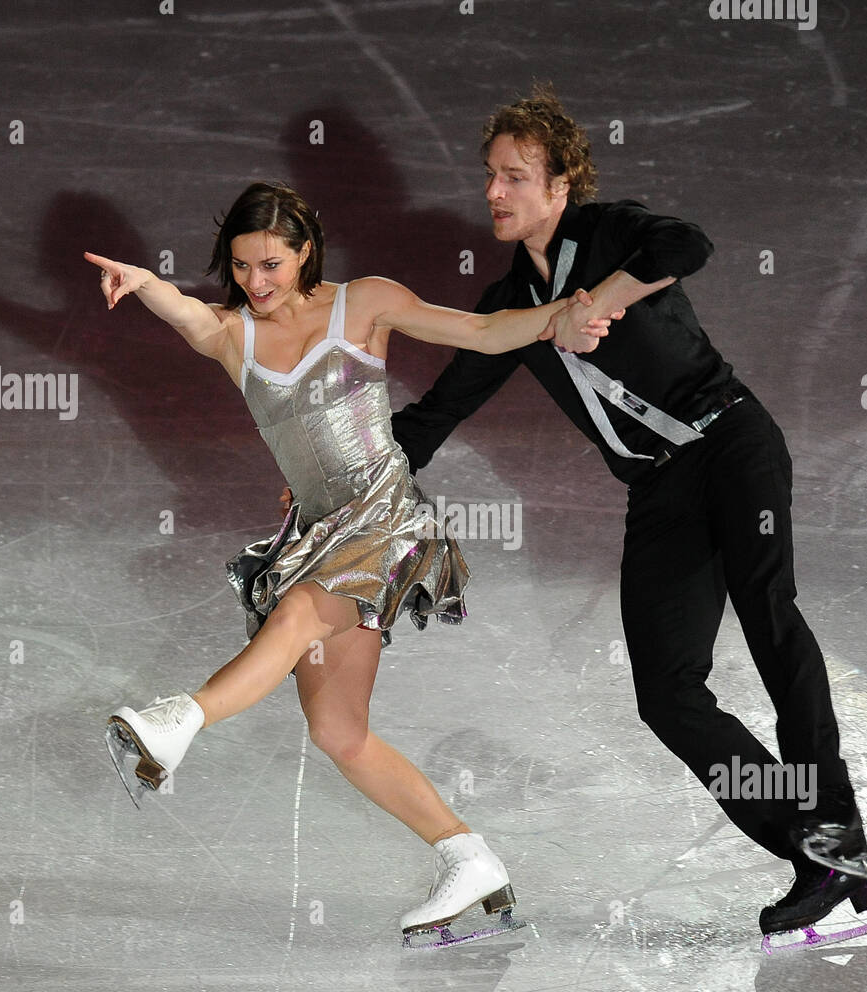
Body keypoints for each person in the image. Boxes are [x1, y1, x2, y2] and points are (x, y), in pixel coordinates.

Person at [390, 86, 867, 945]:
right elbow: (436, 412)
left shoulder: (612, 232)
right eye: (489, 177)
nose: (496, 194)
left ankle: (839, 832)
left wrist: (600, 300)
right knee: (666, 691)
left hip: (732, 442)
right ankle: (818, 847)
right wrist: (340, 473)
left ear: (559, 186)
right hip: (661, 490)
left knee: (772, 623)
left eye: (516, 177)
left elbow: (687, 242)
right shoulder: (508, 310)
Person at [86, 181, 614, 941]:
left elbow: (483, 329)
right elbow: (190, 313)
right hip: (315, 532)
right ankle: (470, 858)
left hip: (384, 522)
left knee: (302, 610)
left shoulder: (362, 304)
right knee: (339, 731)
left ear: (305, 252)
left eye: (270, 264)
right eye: (239, 268)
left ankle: (182, 718)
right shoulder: (236, 338)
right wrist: (143, 284)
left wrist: (556, 317)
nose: (255, 283)